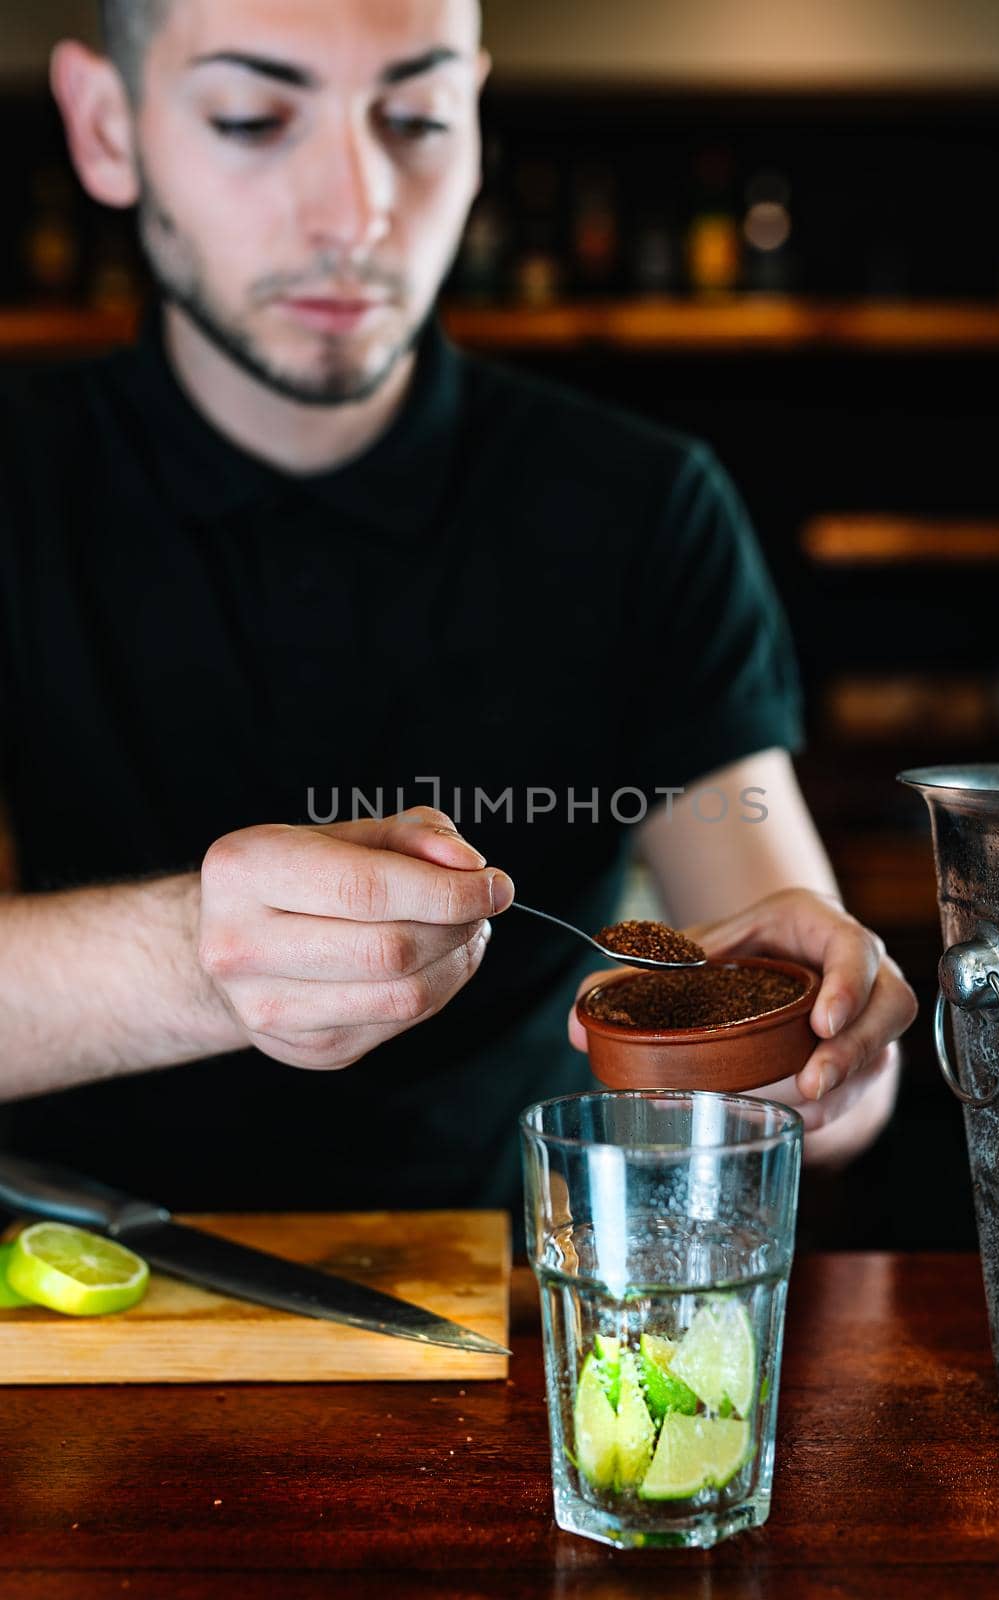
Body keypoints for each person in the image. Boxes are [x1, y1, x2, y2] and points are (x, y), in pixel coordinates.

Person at [0, 0, 916, 1224]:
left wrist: (834, 1048)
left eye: (417, 119)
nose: (354, 211)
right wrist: (189, 955)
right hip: (84, 1310)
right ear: (107, 129)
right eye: (252, 118)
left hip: (536, 1317)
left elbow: (829, 1082)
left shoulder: (640, 506)